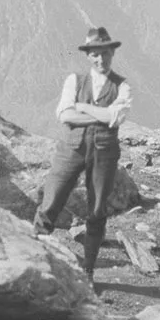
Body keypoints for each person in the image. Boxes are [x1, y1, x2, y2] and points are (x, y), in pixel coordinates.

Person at [33, 26, 133, 277]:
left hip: (104, 153)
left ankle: (87, 271)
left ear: (112, 53)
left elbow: (116, 118)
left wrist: (82, 107)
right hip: (72, 148)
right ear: (88, 56)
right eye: (95, 55)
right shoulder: (75, 80)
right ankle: (34, 260)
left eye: (105, 54)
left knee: (98, 209)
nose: (101, 59)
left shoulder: (122, 86)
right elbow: (64, 114)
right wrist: (99, 115)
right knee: (51, 199)